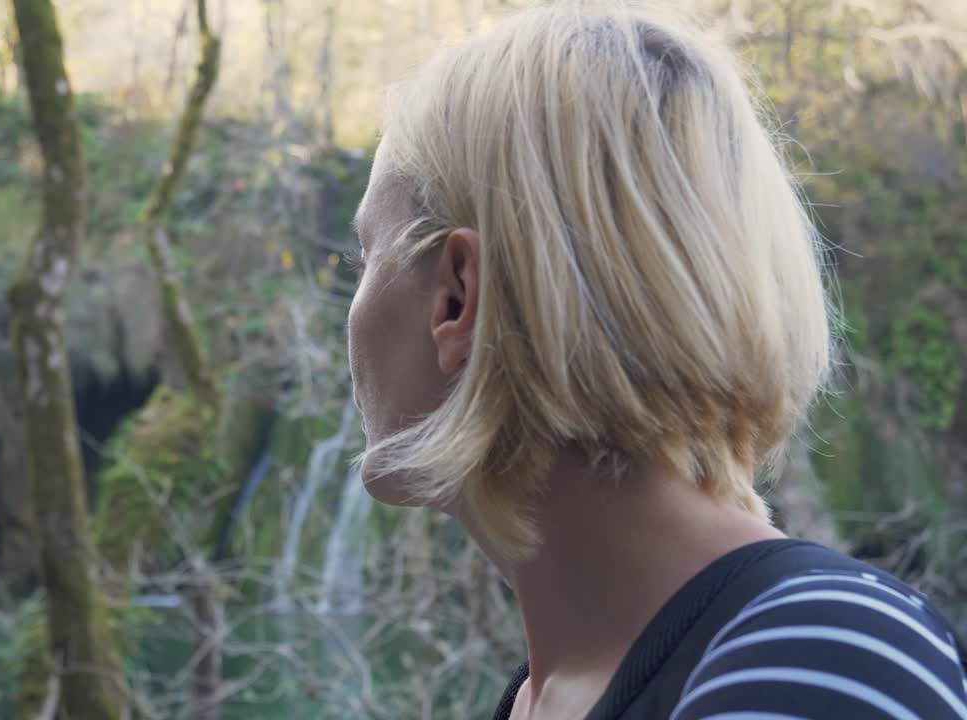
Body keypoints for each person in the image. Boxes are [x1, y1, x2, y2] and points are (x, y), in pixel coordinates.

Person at [343, 2, 967, 719]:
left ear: (456, 296)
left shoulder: (817, 659)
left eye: (364, 257)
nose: (350, 311)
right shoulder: (550, 696)